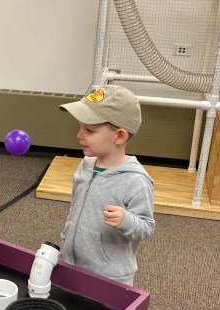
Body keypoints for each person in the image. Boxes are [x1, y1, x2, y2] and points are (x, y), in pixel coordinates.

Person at [58, 84, 155, 286]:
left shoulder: (136, 181)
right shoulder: (84, 166)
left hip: (110, 275)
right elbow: (76, 209)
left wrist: (125, 220)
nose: (79, 135)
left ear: (119, 136)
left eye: (89, 130)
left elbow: (146, 227)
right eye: (80, 127)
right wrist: (66, 238)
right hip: (72, 262)